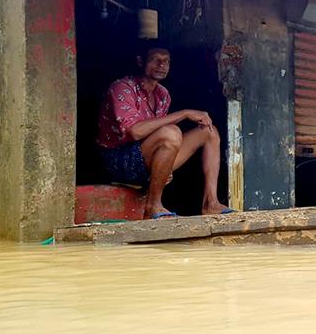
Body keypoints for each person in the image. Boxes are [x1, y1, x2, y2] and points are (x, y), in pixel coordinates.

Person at [97, 42, 233, 219]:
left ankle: (211, 203)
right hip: (118, 161)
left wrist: (164, 163)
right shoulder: (122, 88)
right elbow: (135, 132)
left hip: (145, 156)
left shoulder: (162, 94)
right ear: (140, 61)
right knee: (171, 133)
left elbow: (157, 135)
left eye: (166, 61)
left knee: (209, 131)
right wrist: (184, 113)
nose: (161, 65)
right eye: (155, 59)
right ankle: (153, 205)